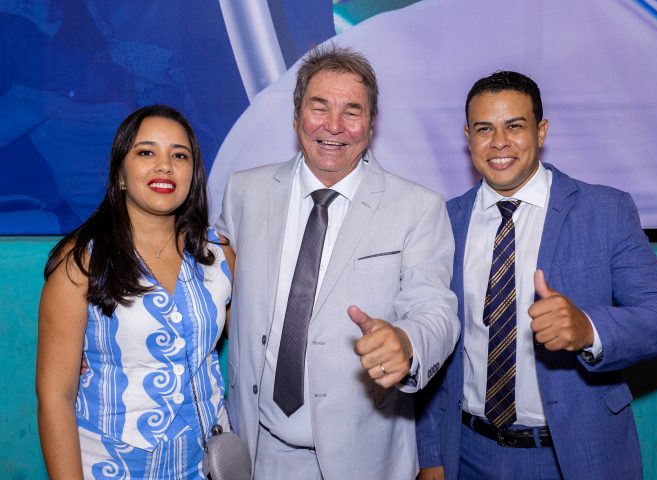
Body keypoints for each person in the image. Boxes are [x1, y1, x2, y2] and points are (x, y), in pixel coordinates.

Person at [415, 71, 657, 480]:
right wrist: (431, 454)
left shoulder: (605, 211)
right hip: (467, 453)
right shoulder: (445, 220)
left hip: (574, 456)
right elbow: (432, 340)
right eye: (484, 129)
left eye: (515, 126)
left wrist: (588, 328)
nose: (499, 142)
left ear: (541, 131)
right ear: (468, 137)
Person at [215, 45, 459, 479]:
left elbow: (435, 308)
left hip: (364, 458)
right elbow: (211, 284)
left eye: (352, 111)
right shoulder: (244, 192)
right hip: (258, 452)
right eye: (319, 107)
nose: (334, 125)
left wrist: (408, 343)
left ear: (371, 124)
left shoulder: (418, 207)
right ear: (296, 118)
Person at [36, 105, 235, 479]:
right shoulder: (81, 262)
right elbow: (55, 398)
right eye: (146, 152)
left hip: (203, 462)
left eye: (180, 155)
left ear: (193, 174)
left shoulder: (218, 253)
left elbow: (255, 341)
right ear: (121, 174)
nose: (165, 166)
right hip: (112, 464)